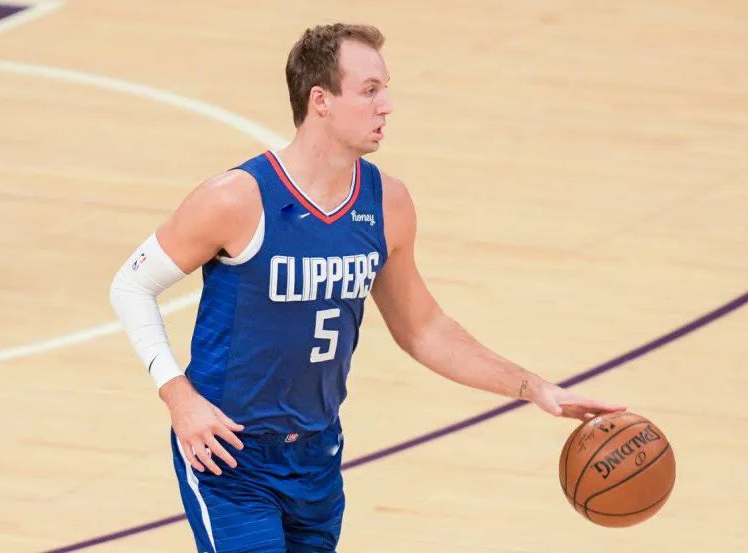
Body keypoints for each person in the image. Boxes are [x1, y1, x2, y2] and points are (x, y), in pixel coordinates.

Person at [110, 22, 624, 553]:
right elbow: (131, 286)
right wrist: (179, 397)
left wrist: (533, 387)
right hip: (230, 454)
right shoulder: (238, 199)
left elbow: (423, 329)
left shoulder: (387, 204)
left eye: (385, 89)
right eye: (370, 90)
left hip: (317, 456)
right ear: (321, 101)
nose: (387, 106)